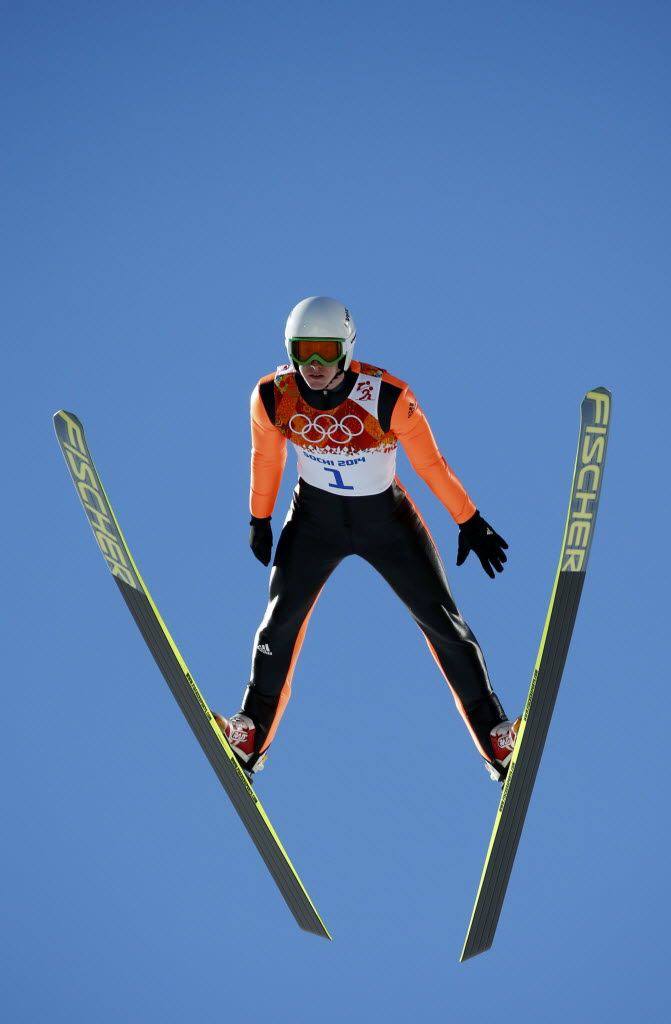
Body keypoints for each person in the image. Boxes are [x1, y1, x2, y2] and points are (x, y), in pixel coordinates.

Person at [214, 296, 519, 783]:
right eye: (303, 351)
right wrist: (260, 517)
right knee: (279, 623)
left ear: (347, 349)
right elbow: (267, 459)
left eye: (327, 351)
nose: (314, 365)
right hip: (313, 520)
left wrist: (469, 519)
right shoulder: (272, 396)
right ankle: (251, 734)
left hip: (386, 522)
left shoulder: (387, 397)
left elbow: (429, 465)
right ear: (288, 349)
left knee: (443, 622)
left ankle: (496, 741)